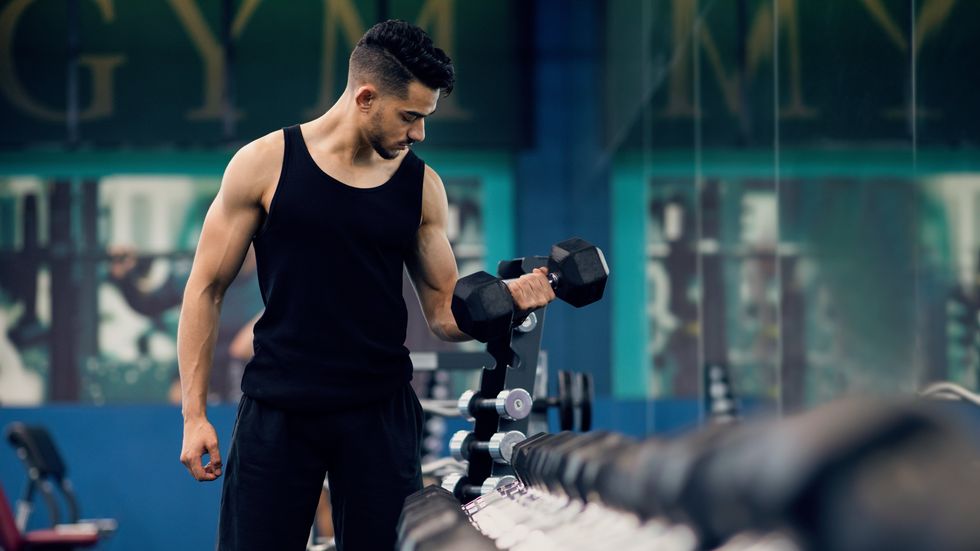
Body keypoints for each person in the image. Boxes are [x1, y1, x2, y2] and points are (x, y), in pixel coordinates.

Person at [176, 20, 556, 551]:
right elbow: (206, 289)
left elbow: (445, 315)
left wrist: (510, 299)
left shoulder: (421, 188)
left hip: (378, 412)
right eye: (410, 117)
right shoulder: (264, 165)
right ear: (366, 97)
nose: (419, 134)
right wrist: (194, 415)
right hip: (279, 408)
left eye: (424, 118)